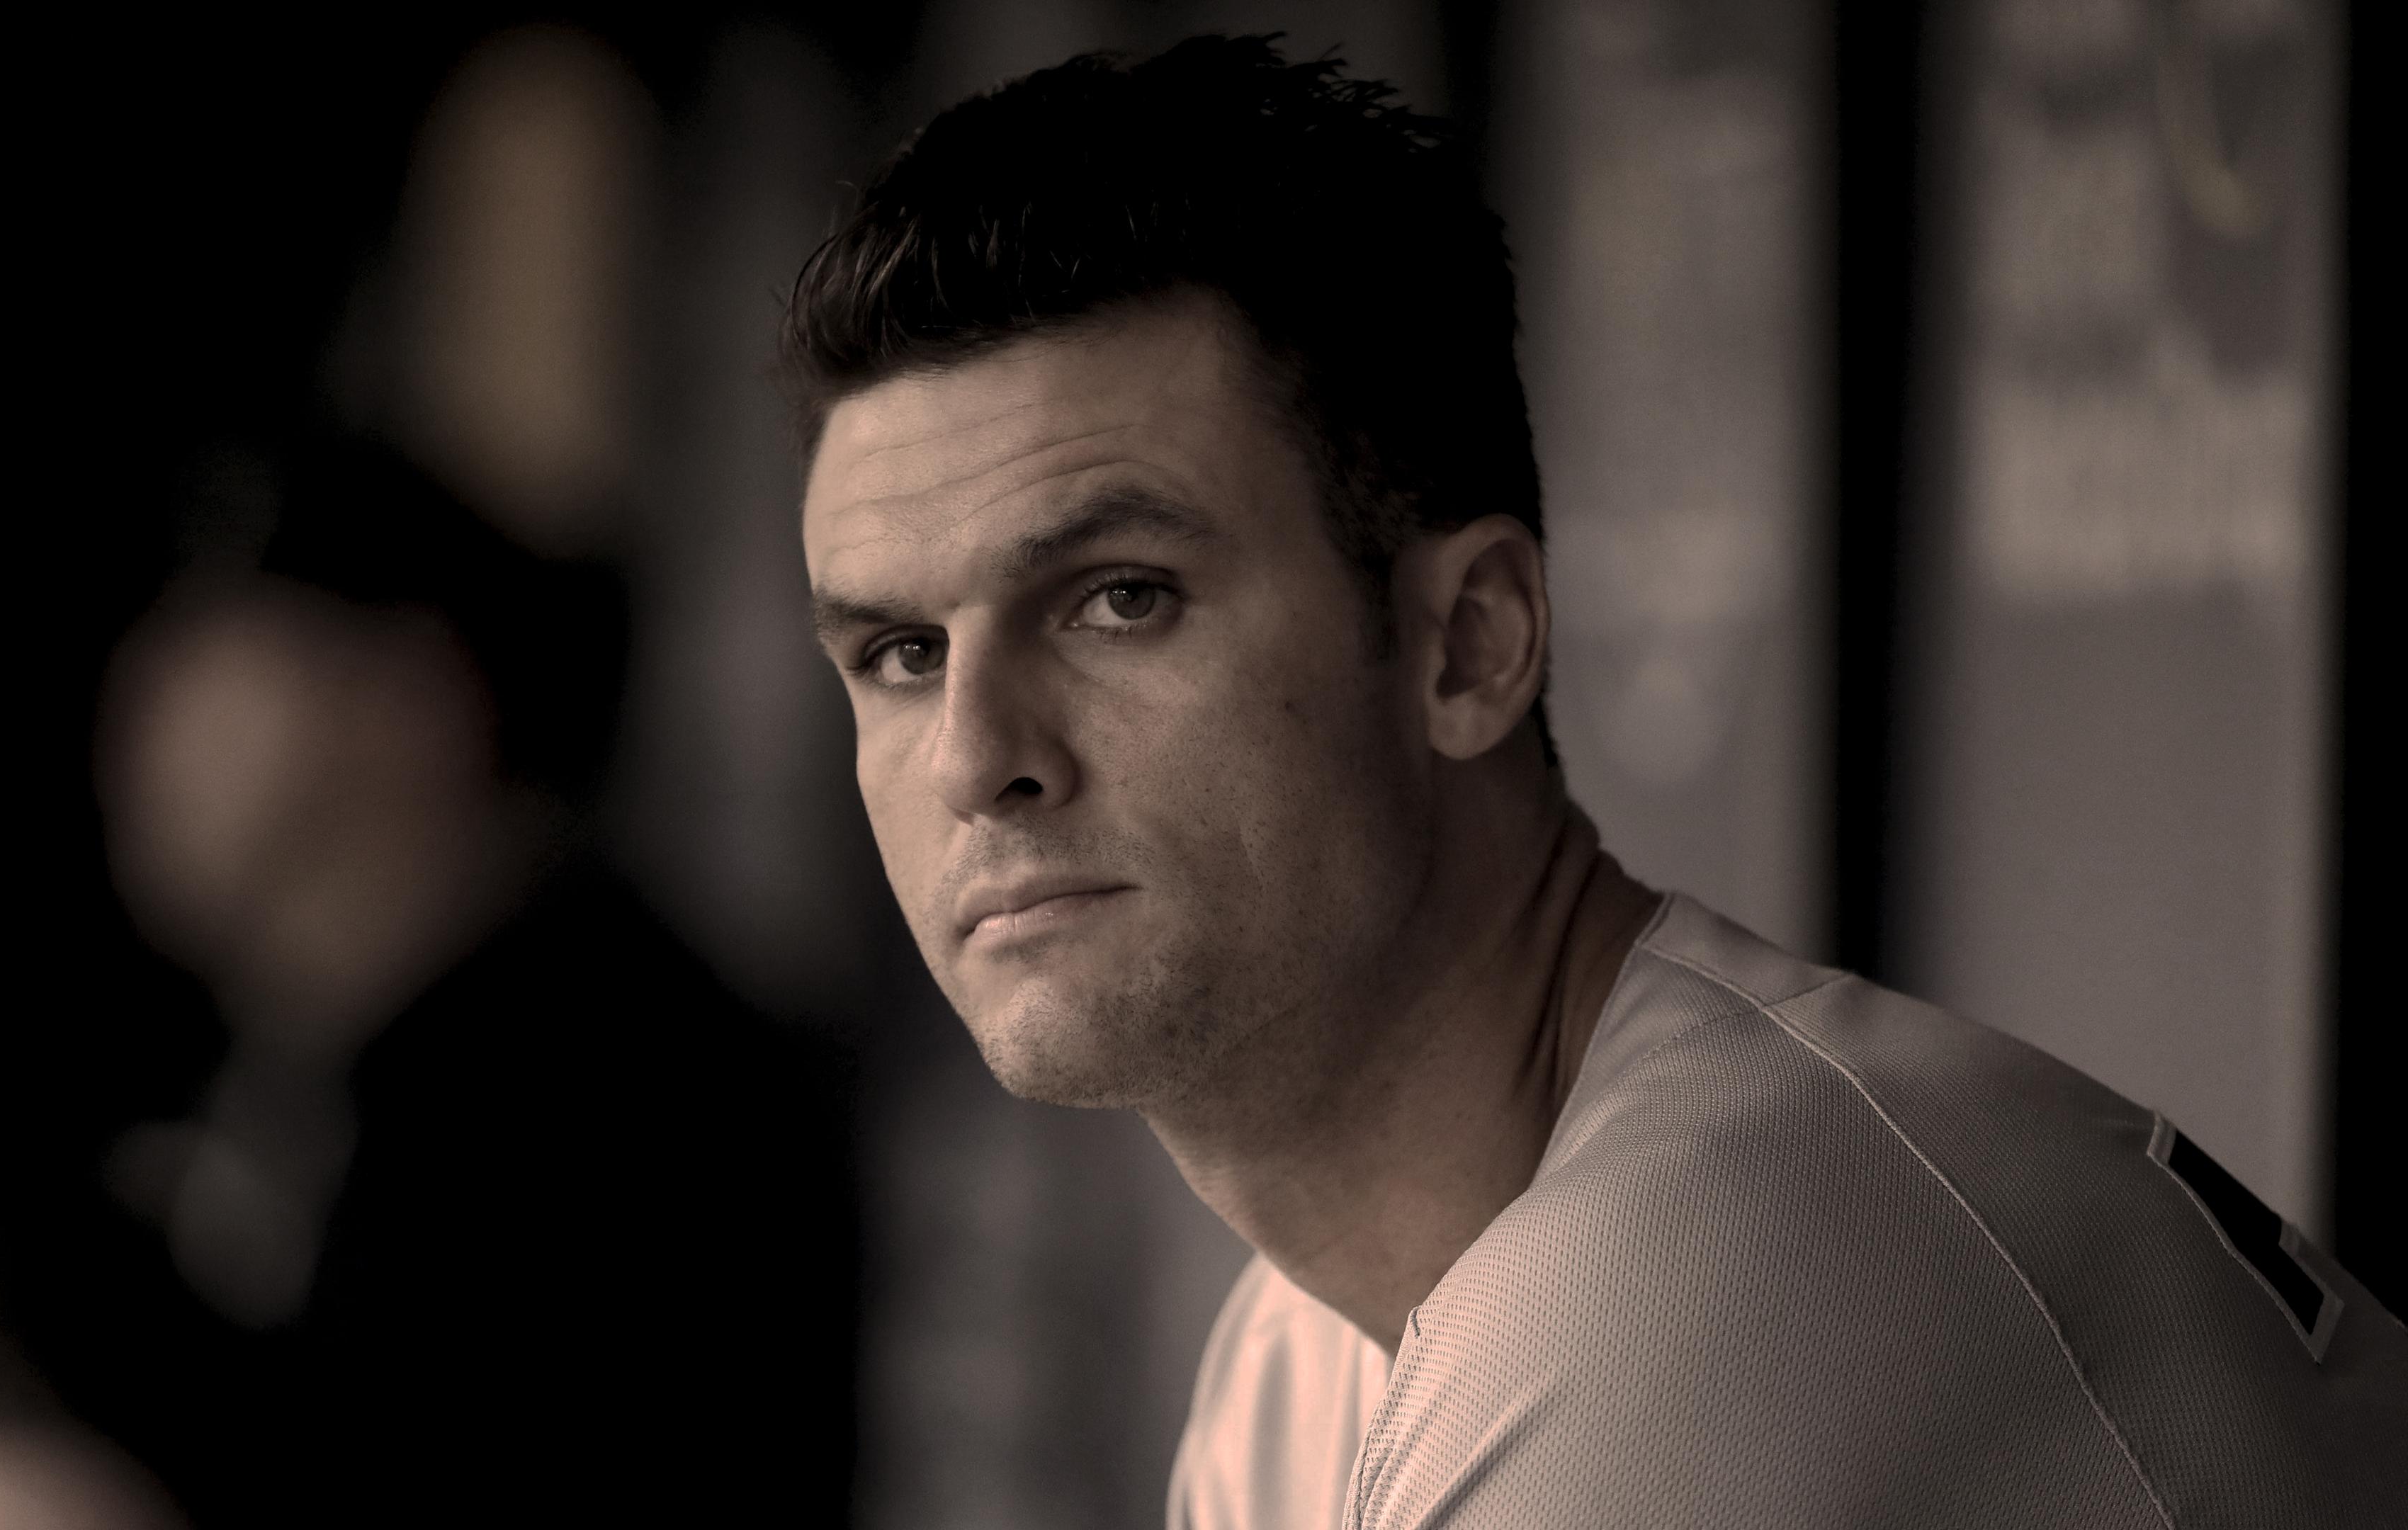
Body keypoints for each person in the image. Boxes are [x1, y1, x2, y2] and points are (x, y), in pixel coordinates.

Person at [781, 35, 2404, 1529]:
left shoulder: (1707, 1304)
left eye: (1119, 598)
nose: (981, 758)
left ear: (1469, 647)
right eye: (901, 656)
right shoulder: (1308, 1343)